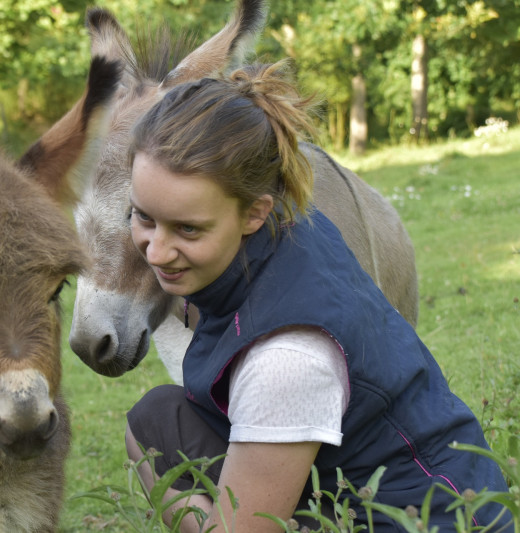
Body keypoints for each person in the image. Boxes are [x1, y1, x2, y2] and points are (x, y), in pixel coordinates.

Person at [124, 60, 512, 532]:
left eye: (188, 227)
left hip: (427, 521)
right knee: (153, 422)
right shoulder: (290, 225)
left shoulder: (288, 358)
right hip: (398, 484)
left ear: (253, 213)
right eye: (144, 217)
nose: (157, 251)